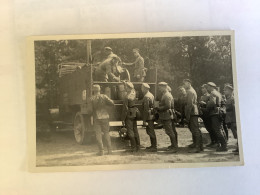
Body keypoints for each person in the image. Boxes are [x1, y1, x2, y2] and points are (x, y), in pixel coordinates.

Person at [91, 84, 115, 156]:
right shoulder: (104, 96)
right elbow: (112, 103)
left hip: (97, 118)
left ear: (93, 90)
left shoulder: (92, 99)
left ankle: (101, 151)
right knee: (106, 133)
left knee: (98, 134)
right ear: (99, 90)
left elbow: (90, 111)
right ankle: (109, 150)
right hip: (105, 116)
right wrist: (106, 108)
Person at [154, 82, 178, 153]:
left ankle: (174, 147)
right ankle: (173, 145)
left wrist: (159, 108)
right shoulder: (165, 94)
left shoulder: (167, 95)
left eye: (160, 87)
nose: (159, 89)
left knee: (170, 131)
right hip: (166, 115)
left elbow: (168, 106)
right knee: (170, 131)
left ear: (164, 87)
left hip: (167, 115)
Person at [183, 79, 203, 153]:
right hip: (192, 112)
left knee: (195, 130)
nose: (184, 86)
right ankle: (196, 144)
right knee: (193, 129)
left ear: (188, 83)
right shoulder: (190, 91)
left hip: (192, 112)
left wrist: (187, 115)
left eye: (185, 84)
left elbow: (190, 104)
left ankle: (198, 147)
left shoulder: (190, 92)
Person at [206, 82, 227, 152]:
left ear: (212, 87)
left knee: (217, 129)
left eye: (208, 87)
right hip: (219, 112)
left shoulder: (212, 93)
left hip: (215, 113)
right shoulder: (218, 93)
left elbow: (212, 103)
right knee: (221, 129)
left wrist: (206, 105)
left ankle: (224, 146)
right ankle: (224, 144)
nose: (207, 88)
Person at [121, 82, 141, 153]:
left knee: (130, 132)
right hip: (134, 113)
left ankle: (133, 147)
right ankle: (138, 146)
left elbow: (125, 109)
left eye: (125, 86)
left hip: (129, 114)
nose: (124, 88)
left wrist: (123, 119)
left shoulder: (127, 96)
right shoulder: (134, 93)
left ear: (128, 87)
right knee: (135, 130)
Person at [141, 83, 157, 152]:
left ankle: (154, 146)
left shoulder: (146, 97)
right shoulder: (151, 95)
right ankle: (153, 145)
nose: (141, 89)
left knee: (150, 131)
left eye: (142, 88)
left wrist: (144, 120)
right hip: (151, 115)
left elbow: (146, 110)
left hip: (149, 116)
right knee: (150, 131)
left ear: (145, 89)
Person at [224, 84, 238, 154]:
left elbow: (235, 110)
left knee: (237, 134)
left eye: (225, 90)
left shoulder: (232, 99)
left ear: (230, 91)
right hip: (230, 119)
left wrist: (235, 121)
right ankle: (238, 148)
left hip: (233, 119)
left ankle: (239, 149)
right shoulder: (228, 98)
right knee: (235, 134)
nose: (224, 91)